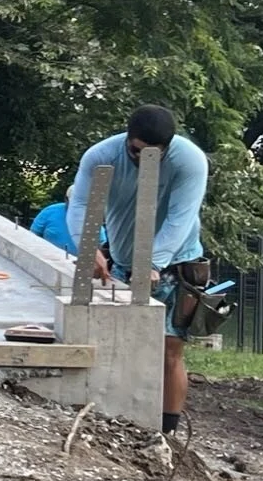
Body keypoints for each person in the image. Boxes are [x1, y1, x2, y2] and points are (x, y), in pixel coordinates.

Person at [65, 104, 210, 435]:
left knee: (169, 349)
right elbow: (83, 203)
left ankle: (166, 432)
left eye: (153, 155)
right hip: (123, 260)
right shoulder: (101, 156)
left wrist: (153, 262)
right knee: (117, 341)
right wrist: (88, 249)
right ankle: (118, 421)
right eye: (136, 151)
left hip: (176, 264)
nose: (141, 159)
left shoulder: (189, 160)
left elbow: (180, 218)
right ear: (128, 138)